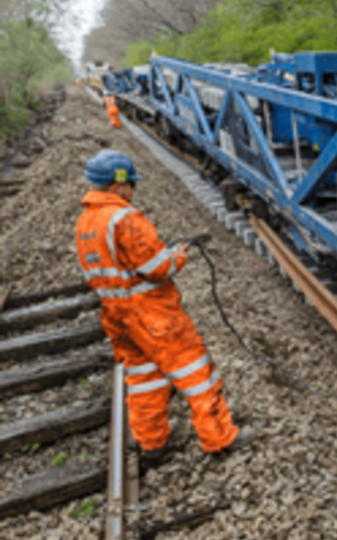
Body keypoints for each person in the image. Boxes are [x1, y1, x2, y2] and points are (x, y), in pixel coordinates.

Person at [74, 150, 253, 458]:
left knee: (144, 380)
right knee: (197, 374)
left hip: (117, 317)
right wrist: (178, 255)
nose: (132, 191)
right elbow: (159, 269)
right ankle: (219, 439)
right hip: (151, 313)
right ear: (118, 186)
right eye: (131, 185)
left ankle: (152, 443)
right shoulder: (125, 218)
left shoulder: (85, 222)